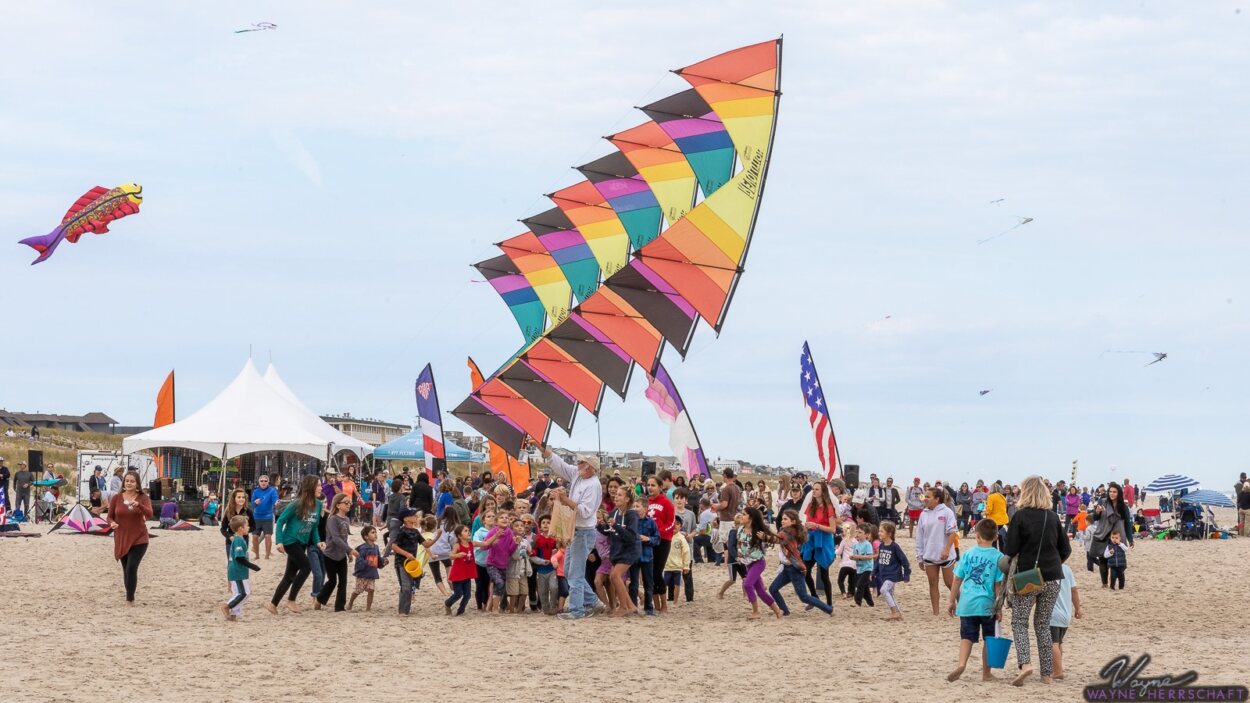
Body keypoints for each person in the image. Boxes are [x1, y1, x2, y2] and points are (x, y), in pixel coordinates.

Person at [1003, 475, 1072, 686]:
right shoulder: (1052, 517)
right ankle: (1046, 675)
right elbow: (1065, 549)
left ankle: (1025, 664)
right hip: (1053, 576)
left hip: (1028, 576)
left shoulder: (1020, 517)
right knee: (1043, 625)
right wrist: (1052, 563)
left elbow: (1011, 549)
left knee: (1019, 622)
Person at [536, 443, 606, 620]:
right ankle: (593, 602)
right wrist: (541, 447)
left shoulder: (593, 485)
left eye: (580, 462)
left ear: (588, 467)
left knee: (574, 573)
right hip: (576, 531)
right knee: (569, 571)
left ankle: (577, 610)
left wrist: (564, 499)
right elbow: (558, 463)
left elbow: (584, 511)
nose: (577, 464)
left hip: (583, 532)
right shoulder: (578, 476)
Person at [945, 518, 1005, 681]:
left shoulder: (968, 554)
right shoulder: (999, 557)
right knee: (989, 639)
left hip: (967, 604)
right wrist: (998, 607)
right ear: (995, 538)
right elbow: (998, 585)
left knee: (966, 637)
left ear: (977, 536)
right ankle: (986, 673)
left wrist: (951, 601)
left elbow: (957, 579)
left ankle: (961, 664)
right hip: (987, 605)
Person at [266, 475, 324, 615]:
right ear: (310, 487)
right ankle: (291, 599)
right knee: (306, 567)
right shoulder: (297, 504)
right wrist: (279, 541)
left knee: (289, 575)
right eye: (318, 485)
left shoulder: (319, 504)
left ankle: (273, 604)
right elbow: (280, 522)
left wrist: (318, 541)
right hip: (290, 541)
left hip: (302, 542)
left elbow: (314, 527)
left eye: (320, 485)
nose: (320, 488)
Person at [768, 508, 832, 616]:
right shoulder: (787, 531)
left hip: (795, 569)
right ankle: (785, 611)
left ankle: (829, 609)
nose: (782, 521)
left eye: (785, 519)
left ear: (793, 522)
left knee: (803, 597)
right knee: (773, 589)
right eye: (782, 519)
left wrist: (765, 535)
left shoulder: (789, 533)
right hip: (787, 569)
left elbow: (776, 539)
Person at [107, 470, 153, 605]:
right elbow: (109, 516)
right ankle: (130, 596)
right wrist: (112, 523)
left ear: (137, 483)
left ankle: (129, 599)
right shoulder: (116, 497)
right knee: (126, 570)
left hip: (139, 538)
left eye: (132, 481)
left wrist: (139, 505)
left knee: (132, 568)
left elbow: (150, 514)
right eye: (127, 481)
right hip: (122, 538)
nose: (129, 483)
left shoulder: (143, 497)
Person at [915, 487, 958, 615]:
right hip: (929, 554)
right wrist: (919, 556)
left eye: (928, 497)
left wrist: (946, 549)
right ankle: (936, 613)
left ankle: (960, 606)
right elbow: (920, 537)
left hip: (946, 556)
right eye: (924, 497)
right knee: (932, 583)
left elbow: (952, 533)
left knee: (950, 583)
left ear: (937, 499)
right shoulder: (924, 514)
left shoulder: (947, 512)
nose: (925, 499)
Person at [598, 486, 639, 617]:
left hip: (630, 550)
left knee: (615, 575)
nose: (616, 496)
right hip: (617, 551)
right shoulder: (614, 512)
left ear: (627, 499)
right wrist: (599, 525)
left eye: (620, 495)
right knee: (613, 576)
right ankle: (631, 606)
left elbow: (631, 537)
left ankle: (623, 607)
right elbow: (608, 530)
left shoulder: (632, 515)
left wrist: (615, 525)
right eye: (616, 495)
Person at [737, 507, 782, 619]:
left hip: (758, 562)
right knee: (761, 591)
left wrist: (765, 537)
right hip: (748, 563)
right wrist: (739, 554)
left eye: (744, 514)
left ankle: (756, 612)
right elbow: (739, 544)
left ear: (751, 518)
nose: (741, 516)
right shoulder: (740, 530)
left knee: (747, 584)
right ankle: (778, 611)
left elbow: (778, 540)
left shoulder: (758, 531)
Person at [314, 493, 357, 612]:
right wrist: (350, 550)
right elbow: (336, 538)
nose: (349, 505)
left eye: (349, 503)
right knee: (332, 581)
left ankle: (339, 607)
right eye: (346, 503)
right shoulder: (332, 519)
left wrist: (348, 553)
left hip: (341, 556)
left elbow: (344, 539)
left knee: (343, 582)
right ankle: (319, 599)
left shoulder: (347, 519)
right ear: (338, 505)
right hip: (330, 555)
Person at [1088, 482, 1134, 588]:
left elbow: (1127, 523)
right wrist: (1097, 512)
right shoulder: (1103, 502)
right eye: (1110, 491)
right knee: (1103, 560)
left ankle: (1116, 581)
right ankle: (1104, 583)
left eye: (1114, 492)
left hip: (1117, 536)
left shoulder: (1123, 507)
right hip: (1103, 535)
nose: (1112, 494)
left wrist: (1130, 539)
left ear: (1119, 493)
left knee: (1117, 561)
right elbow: (1094, 518)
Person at [644, 475, 676, 614]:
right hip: (648, 540)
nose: (650, 488)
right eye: (648, 485)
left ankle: (664, 605)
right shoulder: (646, 502)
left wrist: (659, 532)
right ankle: (655, 604)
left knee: (657, 572)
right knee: (649, 573)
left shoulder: (666, 502)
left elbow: (672, 523)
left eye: (653, 485)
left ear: (660, 486)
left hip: (663, 541)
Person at [222, 515, 261, 621]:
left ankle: (233, 615)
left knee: (238, 593)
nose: (248, 528)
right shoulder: (238, 540)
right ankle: (227, 606)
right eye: (247, 526)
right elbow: (239, 558)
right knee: (244, 593)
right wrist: (253, 566)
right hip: (237, 571)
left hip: (238, 571)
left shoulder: (239, 539)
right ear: (240, 528)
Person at [1049, 561, 1083, 680]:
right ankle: (1058, 667)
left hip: (1052, 613)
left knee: (1053, 643)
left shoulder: (1046, 567)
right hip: (1066, 613)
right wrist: (1078, 608)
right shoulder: (1067, 569)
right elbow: (1074, 590)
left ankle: (1057, 672)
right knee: (1059, 643)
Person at [874, 521, 911, 620]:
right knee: (889, 593)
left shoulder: (895, 547)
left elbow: (904, 561)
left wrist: (906, 574)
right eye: (879, 531)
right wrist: (874, 572)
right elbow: (878, 560)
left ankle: (894, 612)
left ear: (889, 534)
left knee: (883, 590)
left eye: (882, 531)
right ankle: (898, 613)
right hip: (884, 574)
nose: (879, 533)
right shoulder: (881, 546)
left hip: (893, 574)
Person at [349, 525, 384, 611]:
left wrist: (383, 562)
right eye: (372, 532)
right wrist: (367, 562)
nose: (375, 534)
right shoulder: (363, 548)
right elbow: (359, 560)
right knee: (357, 591)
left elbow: (378, 560)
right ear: (366, 536)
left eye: (375, 532)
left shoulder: (376, 547)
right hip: (362, 574)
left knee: (371, 590)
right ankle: (350, 603)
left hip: (371, 574)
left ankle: (368, 608)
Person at [442, 525, 476, 616]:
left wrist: (496, 536)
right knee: (458, 593)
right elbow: (451, 556)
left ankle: (461, 611)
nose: (469, 532)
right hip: (458, 574)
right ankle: (447, 603)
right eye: (465, 531)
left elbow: (485, 543)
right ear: (459, 536)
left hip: (467, 574)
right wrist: (458, 555)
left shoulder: (472, 543)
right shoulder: (457, 545)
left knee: (468, 595)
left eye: (469, 530)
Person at [250, 474, 279, 560]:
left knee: (267, 536)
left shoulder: (272, 491)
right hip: (256, 517)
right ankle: (257, 555)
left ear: (268, 482)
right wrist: (255, 502)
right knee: (255, 536)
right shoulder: (256, 491)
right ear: (259, 482)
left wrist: (276, 503)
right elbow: (252, 504)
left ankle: (267, 556)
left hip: (268, 517)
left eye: (265, 481)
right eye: (261, 481)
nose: (263, 482)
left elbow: (275, 500)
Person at [1238, 474, 1250, 538]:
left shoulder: (1240, 493)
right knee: (1247, 523)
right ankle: (1246, 535)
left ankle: (1240, 533)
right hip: (1248, 510)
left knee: (1240, 523)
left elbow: (1239, 501)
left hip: (1241, 509)